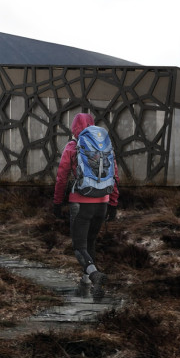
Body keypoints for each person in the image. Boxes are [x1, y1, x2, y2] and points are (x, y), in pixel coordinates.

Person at [52, 112, 119, 298]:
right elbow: (115, 175)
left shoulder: (72, 146)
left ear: (74, 128)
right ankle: (87, 286)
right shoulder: (105, 146)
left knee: (79, 247)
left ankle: (94, 275)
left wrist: (57, 202)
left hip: (80, 202)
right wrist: (113, 203)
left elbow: (61, 177)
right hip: (103, 202)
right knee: (91, 243)